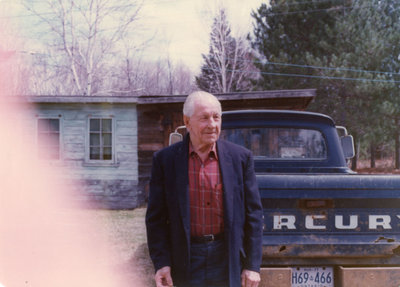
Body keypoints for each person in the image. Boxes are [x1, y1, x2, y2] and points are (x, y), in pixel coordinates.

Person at [145, 91, 263, 287]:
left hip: (227, 257)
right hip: (185, 258)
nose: (212, 124)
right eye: (204, 118)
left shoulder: (240, 159)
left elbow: (254, 215)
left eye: (216, 117)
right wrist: (162, 263)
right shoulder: (165, 161)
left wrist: (252, 265)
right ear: (187, 121)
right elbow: (155, 219)